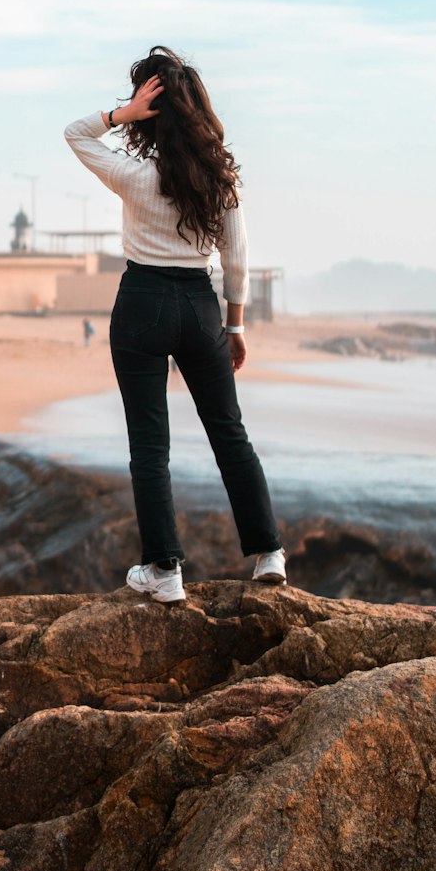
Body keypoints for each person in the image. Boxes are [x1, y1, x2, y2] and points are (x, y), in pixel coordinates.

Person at [65, 45, 286, 603]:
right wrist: (235, 327)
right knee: (229, 432)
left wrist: (122, 115)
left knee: (149, 442)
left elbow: (75, 134)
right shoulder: (220, 181)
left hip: (141, 301)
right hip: (198, 305)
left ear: (154, 114)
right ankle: (269, 555)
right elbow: (236, 259)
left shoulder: (135, 176)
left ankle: (164, 572)